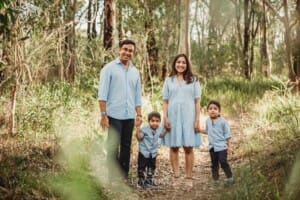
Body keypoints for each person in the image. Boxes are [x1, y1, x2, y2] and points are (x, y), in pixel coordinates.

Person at [98, 39, 142, 180]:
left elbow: (137, 96)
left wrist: (139, 114)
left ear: (133, 53)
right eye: (125, 49)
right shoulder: (109, 69)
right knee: (113, 146)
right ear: (119, 50)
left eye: (131, 51)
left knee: (126, 146)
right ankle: (112, 177)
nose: (127, 53)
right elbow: (102, 95)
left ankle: (123, 177)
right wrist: (103, 115)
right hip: (113, 115)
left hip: (129, 115)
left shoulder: (135, 72)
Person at [162, 53, 202, 189]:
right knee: (173, 146)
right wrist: (165, 117)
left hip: (188, 117)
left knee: (188, 147)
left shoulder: (193, 80)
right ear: (174, 64)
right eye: (178, 62)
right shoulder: (169, 80)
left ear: (187, 65)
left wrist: (197, 119)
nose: (181, 64)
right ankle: (176, 177)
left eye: (183, 62)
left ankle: (189, 178)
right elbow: (165, 101)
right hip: (173, 116)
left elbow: (197, 101)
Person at [200, 100, 234, 187]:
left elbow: (227, 135)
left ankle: (230, 178)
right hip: (212, 147)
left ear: (219, 112)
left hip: (222, 146)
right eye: (210, 108)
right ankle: (216, 181)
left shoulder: (223, 122)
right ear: (207, 111)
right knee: (214, 164)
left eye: (215, 108)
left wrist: (229, 146)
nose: (212, 110)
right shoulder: (207, 121)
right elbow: (208, 131)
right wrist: (199, 130)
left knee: (223, 161)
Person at [135, 111, 167, 189]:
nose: (155, 123)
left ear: (160, 122)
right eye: (152, 121)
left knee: (151, 166)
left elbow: (161, 135)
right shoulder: (144, 129)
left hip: (153, 153)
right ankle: (141, 182)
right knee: (142, 167)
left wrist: (167, 129)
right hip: (144, 152)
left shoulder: (160, 129)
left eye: (157, 121)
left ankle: (149, 181)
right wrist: (138, 127)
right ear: (149, 121)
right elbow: (139, 138)